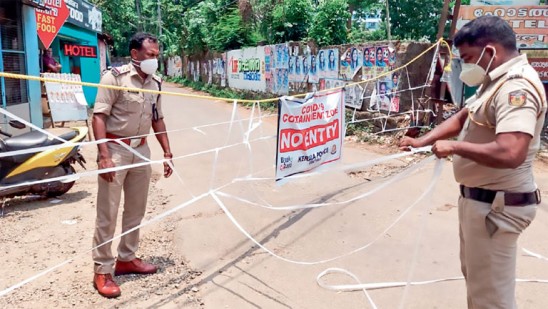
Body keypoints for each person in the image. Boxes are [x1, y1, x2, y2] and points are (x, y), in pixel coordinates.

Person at [399, 16, 546, 308]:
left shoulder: (517, 89)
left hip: (497, 207)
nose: (464, 66)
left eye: (467, 58)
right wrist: (422, 141)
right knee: (479, 284)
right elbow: (463, 116)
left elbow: (511, 152)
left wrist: (455, 147)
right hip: (482, 202)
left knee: (491, 297)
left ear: (490, 51)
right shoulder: (495, 80)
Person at [91, 32, 174, 298]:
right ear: (135, 54)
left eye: (157, 56)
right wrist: (103, 154)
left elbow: (157, 119)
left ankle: (126, 258)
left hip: (141, 150)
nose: (155, 60)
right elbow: (99, 117)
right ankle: (102, 270)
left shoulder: (155, 82)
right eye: (150, 55)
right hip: (115, 149)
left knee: (136, 210)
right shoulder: (114, 78)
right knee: (108, 213)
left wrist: (167, 152)